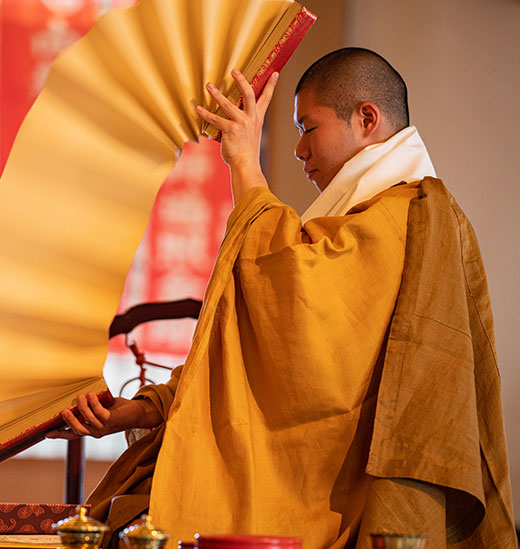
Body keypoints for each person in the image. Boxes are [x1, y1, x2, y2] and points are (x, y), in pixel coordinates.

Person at [47, 48, 516, 548]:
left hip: (343, 501)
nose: (298, 149)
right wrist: (145, 409)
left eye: (307, 127)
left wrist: (246, 164)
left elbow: (293, 313)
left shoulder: (410, 215)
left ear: (366, 119)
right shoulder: (376, 219)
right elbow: (258, 357)